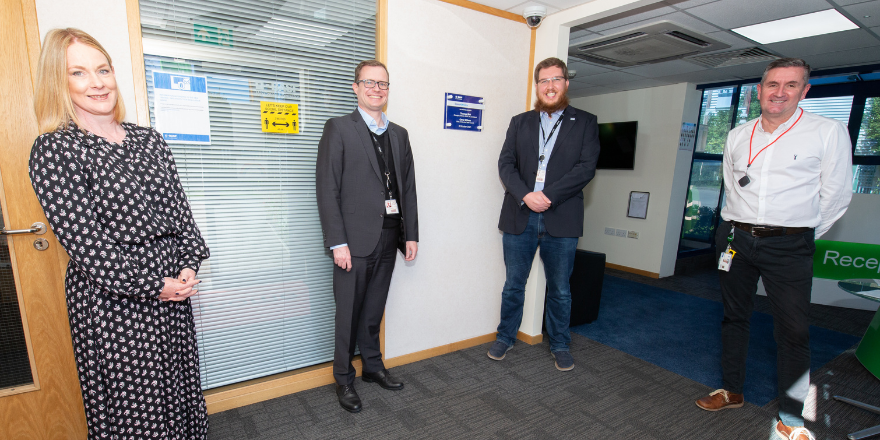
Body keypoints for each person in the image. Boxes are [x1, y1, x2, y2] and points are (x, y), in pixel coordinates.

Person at [28, 28, 210, 439]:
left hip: (172, 289)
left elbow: (181, 216)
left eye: (103, 69)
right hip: (114, 301)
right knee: (138, 409)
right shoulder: (55, 149)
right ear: (60, 83)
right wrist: (151, 284)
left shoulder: (150, 140)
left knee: (179, 392)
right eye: (79, 73)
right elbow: (86, 244)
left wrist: (186, 266)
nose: (97, 82)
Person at [694, 58, 852, 440]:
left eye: (791, 85)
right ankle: (731, 391)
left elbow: (835, 196)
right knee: (735, 318)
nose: (780, 92)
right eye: (772, 84)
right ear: (760, 89)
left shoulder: (827, 132)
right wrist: (738, 226)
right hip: (736, 239)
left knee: (794, 331)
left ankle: (791, 418)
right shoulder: (738, 134)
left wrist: (798, 233)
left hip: (789, 244)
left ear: (804, 91)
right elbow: (733, 185)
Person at [316, 60, 419, 413]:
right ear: (356, 87)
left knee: (373, 311)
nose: (377, 89)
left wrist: (411, 235)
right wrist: (337, 241)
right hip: (353, 243)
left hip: (389, 238)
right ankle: (343, 378)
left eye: (383, 84)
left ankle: (372, 367)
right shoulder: (339, 128)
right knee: (348, 313)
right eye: (370, 83)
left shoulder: (399, 134)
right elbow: (327, 189)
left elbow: (407, 189)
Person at [488, 57, 600, 371]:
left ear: (566, 83)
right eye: (543, 81)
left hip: (561, 216)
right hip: (520, 214)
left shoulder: (586, 122)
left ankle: (561, 344)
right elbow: (505, 165)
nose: (549, 86)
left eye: (556, 79)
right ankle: (505, 336)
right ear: (537, 86)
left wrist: (547, 196)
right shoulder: (519, 122)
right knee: (513, 284)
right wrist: (526, 195)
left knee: (561, 289)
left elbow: (585, 169)